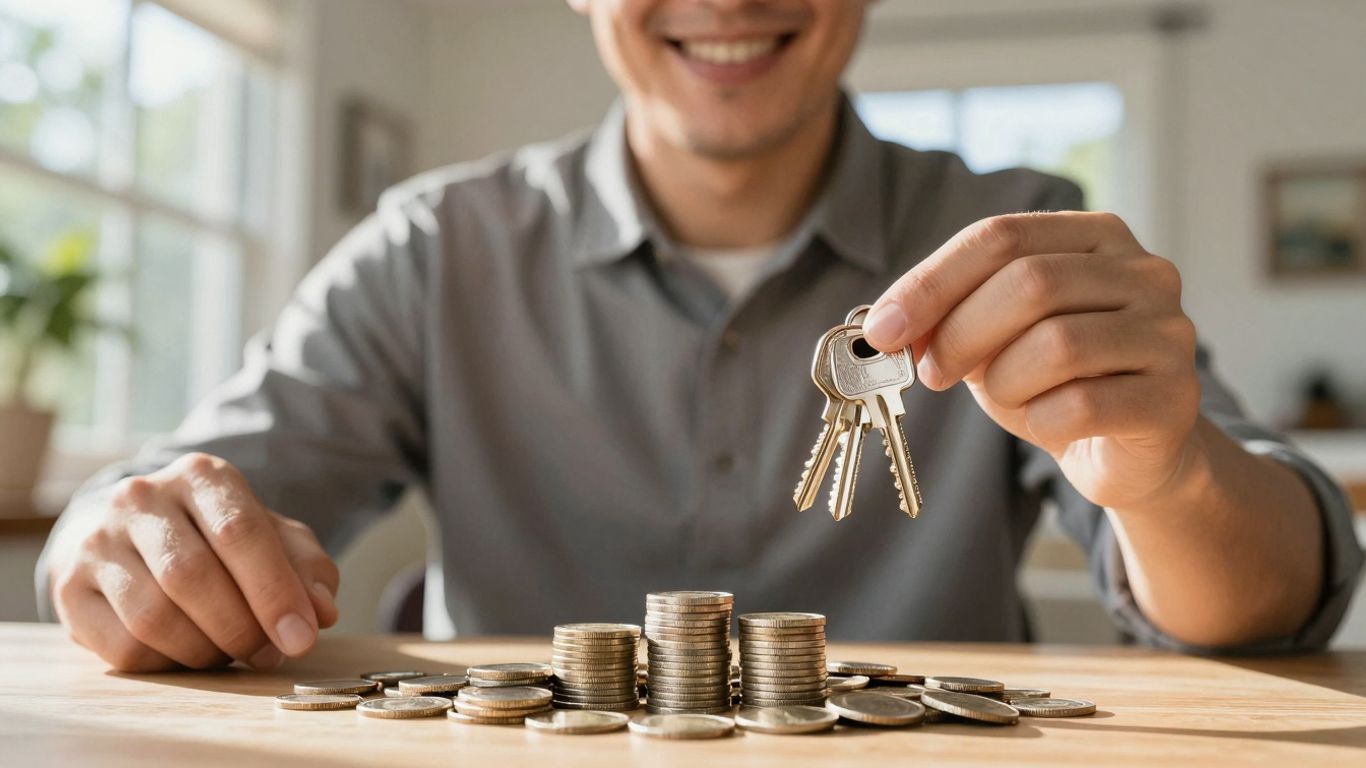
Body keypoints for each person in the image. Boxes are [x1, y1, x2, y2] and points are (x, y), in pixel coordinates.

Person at [37, 0, 1360, 673]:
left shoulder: (1020, 230)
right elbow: (153, 513)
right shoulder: (432, 250)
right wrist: (126, 545)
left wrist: (1168, 477)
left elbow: (1280, 609)